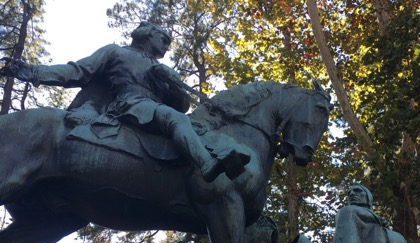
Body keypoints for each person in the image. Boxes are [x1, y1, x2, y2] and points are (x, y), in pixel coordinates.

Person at [1, 21, 249, 182]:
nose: (166, 44)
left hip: (153, 110)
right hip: (128, 105)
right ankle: (206, 164)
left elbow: (182, 106)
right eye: (163, 37)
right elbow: (76, 71)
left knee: (189, 123)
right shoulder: (116, 52)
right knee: (172, 118)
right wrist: (32, 72)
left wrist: (173, 81)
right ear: (147, 34)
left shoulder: (160, 69)